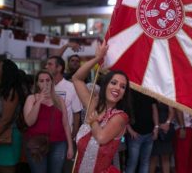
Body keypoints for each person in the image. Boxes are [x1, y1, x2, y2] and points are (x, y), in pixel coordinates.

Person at [72, 40, 132, 172]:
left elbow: (101, 137)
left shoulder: (120, 117)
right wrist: (97, 58)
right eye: (114, 83)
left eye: (123, 87)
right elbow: (76, 78)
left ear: (123, 94)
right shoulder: (92, 104)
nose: (117, 88)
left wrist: (93, 121)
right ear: (105, 86)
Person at [23, 70, 73, 173]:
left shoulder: (59, 100)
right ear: (37, 83)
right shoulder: (31, 98)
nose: (45, 83)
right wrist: (39, 101)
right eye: (41, 81)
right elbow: (29, 122)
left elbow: (66, 125)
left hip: (59, 143)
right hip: (37, 144)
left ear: (52, 82)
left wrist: (70, 146)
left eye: (47, 80)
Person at [45, 55, 82, 140]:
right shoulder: (45, 86)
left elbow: (76, 113)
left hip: (64, 135)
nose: (46, 67)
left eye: (50, 64)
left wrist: (74, 134)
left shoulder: (72, 87)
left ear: (59, 68)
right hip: (46, 134)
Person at [0, 59, 26, 173]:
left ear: (6, 71)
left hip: (7, 136)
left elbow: (6, 119)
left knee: (6, 168)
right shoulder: (5, 90)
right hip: (3, 134)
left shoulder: (11, 91)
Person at [126, 90, 158, 173]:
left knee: (145, 162)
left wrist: (156, 127)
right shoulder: (130, 92)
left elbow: (154, 110)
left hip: (149, 133)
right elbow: (124, 112)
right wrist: (130, 130)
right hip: (135, 134)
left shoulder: (150, 91)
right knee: (133, 163)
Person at [149, 102, 175, 173]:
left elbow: (172, 112)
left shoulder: (166, 96)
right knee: (153, 156)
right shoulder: (152, 95)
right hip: (154, 128)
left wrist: (167, 123)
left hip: (166, 129)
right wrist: (157, 127)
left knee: (165, 157)